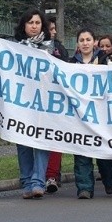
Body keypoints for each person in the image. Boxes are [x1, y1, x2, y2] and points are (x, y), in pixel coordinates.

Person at [70, 28, 112, 198]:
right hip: (80, 116)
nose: (85, 43)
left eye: (88, 40)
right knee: (82, 152)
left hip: (102, 115)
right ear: (78, 43)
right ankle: (84, 187)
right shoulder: (70, 64)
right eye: (81, 40)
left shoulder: (106, 61)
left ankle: (110, 180)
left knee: (104, 152)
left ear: (94, 42)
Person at [12, 8, 54, 199]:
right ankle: (27, 182)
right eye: (30, 23)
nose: (34, 26)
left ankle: (38, 182)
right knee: (23, 143)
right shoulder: (12, 48)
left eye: (37, 23)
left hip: (44, 103)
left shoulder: (53, 48)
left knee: (42, 141)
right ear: (24, 25)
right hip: (21, 103)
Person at [45, 16, 69, 194]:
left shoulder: (59, 48)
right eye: (51, 29)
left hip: (56, 101)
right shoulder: (26, 47)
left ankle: (52, 175)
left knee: (55, 139)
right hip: (36, 101)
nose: (54, 32)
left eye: (55, 29)